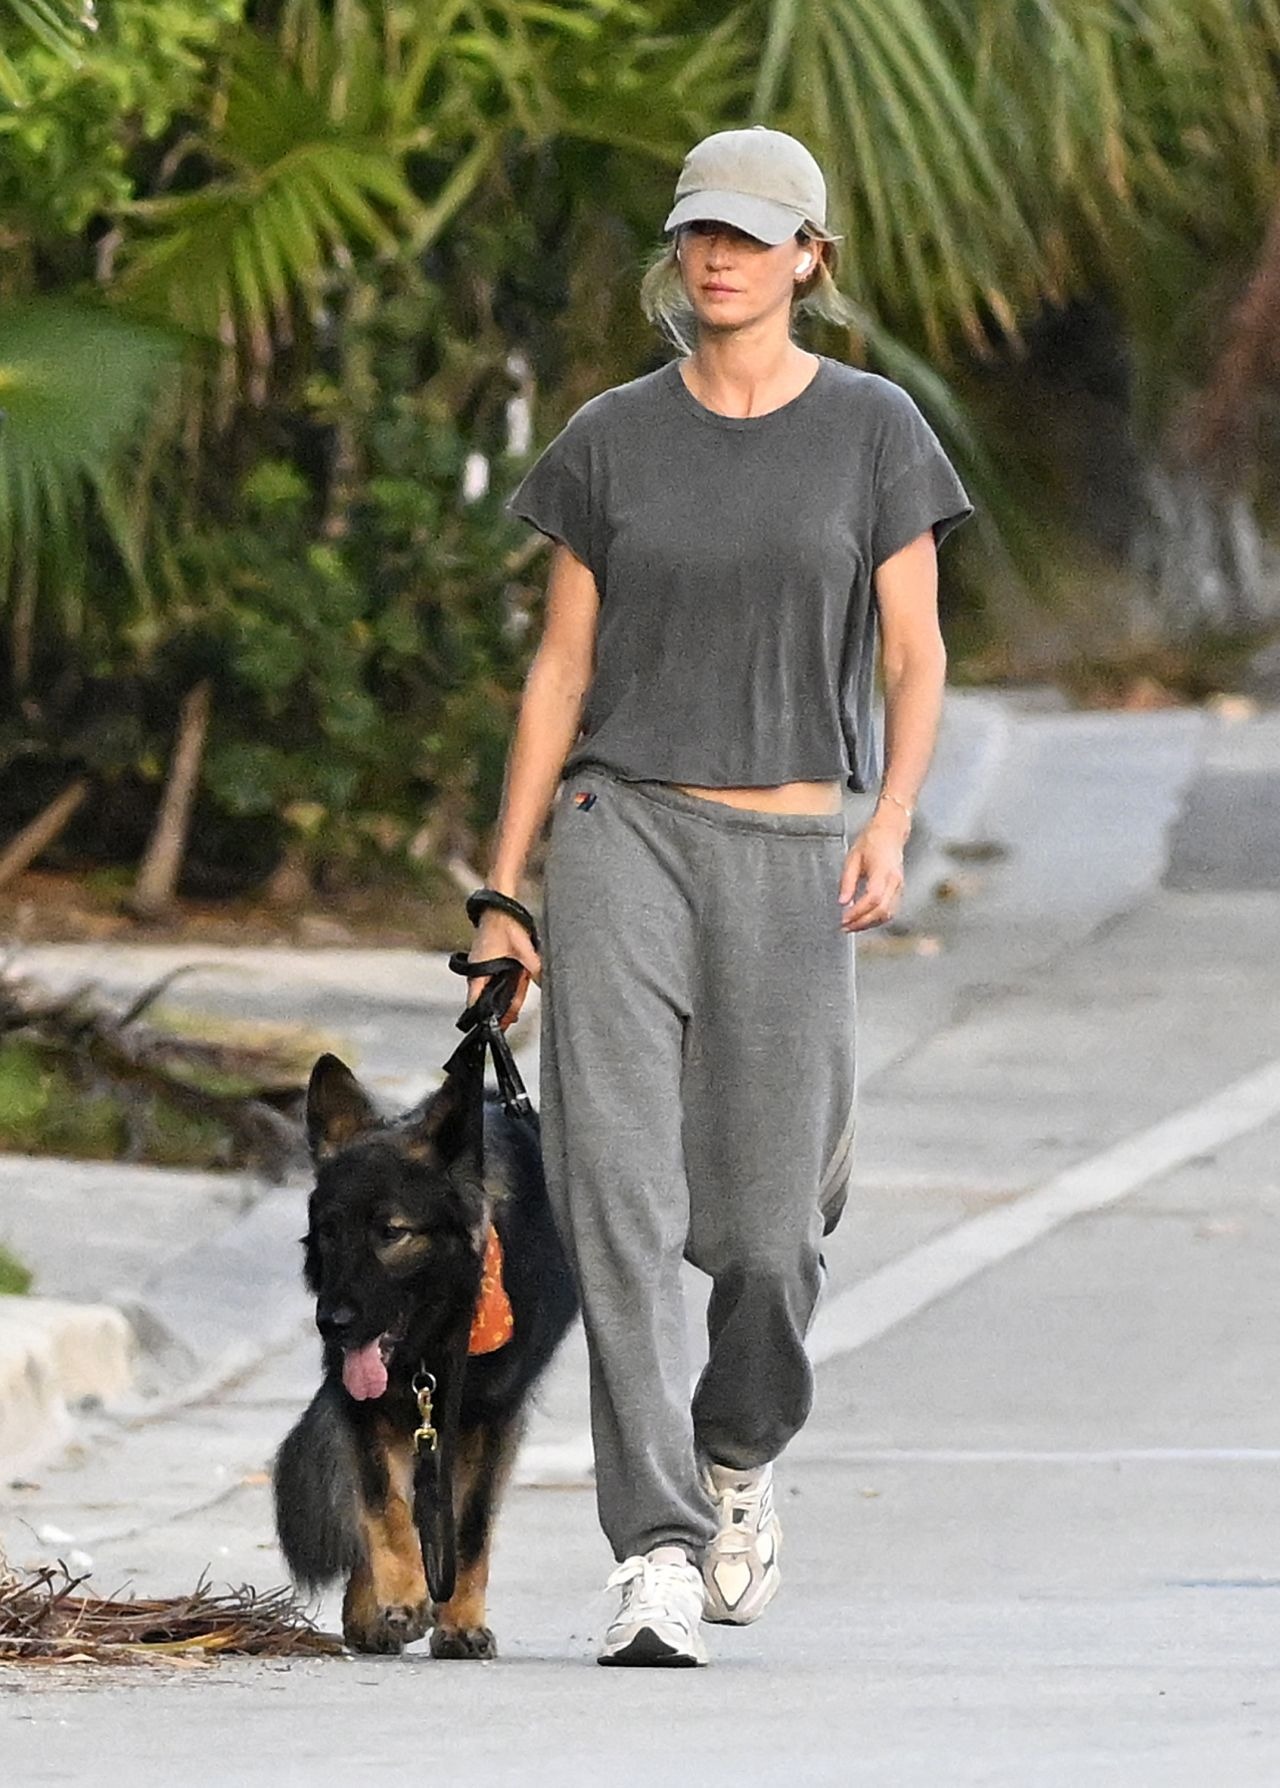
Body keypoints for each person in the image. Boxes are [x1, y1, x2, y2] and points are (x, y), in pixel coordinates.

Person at [464, 125, 974, 1667]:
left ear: (809, 257)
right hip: (623, 829)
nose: (720, 257)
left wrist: (890, 818)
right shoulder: (611, 439)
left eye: (753, 236)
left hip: (793, 848)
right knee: (612, 1195)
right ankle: (656, 1549)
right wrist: (504, 892)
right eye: (699, 232)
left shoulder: (876, 431)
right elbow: (559, 670)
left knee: (765, 1230)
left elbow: (915, 652)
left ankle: (740, 1447)